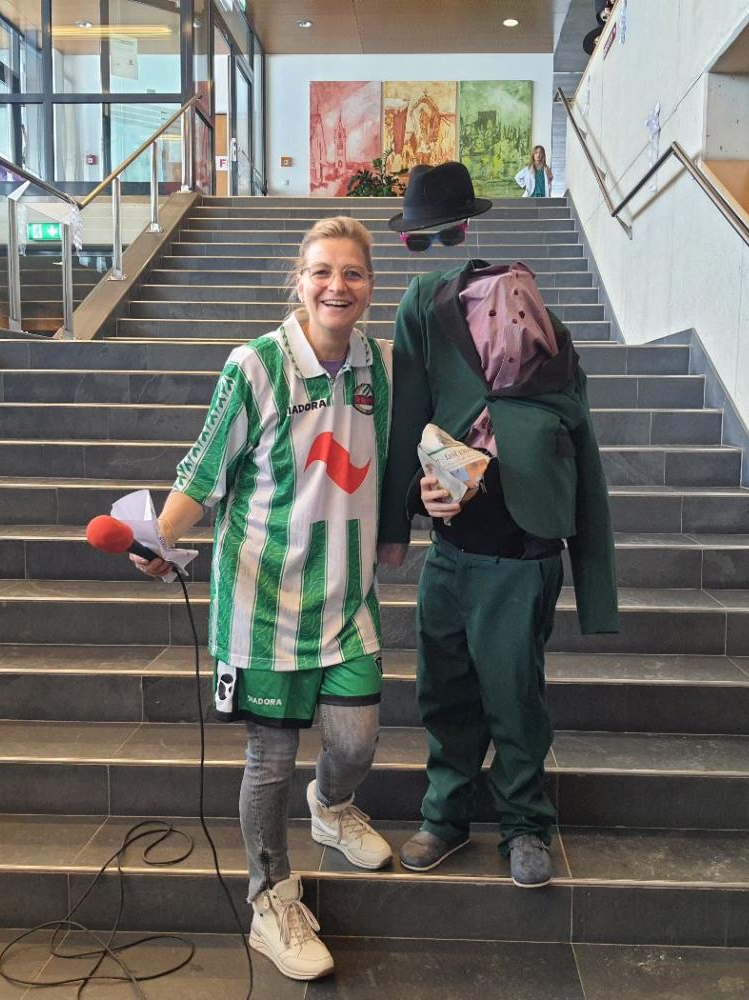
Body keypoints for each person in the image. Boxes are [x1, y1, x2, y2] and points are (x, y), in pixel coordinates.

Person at [133, 216, 394, 982]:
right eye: (321, 271)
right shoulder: (254, 366)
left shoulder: (382, 364)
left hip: (348, 602)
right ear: (299, 281)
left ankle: (332, 808)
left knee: (355, 744)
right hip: (265, 605)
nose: (336, 285)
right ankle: (270, 900)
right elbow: (202, 470)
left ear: (369, 285)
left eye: (351, 272)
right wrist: (162, 537)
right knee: (270, 759)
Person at [378, 162, 618, 889]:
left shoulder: (547, 330)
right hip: (452, 546)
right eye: (420, 239)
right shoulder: (424, 306)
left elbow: (581, 444)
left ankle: (525, 824)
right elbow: (406, 419)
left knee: (515, 695)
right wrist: (404, 512)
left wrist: (595, 579)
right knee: (443, 689)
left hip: (523, 546)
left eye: (437, 235)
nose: (431, 250)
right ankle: (445, 817)